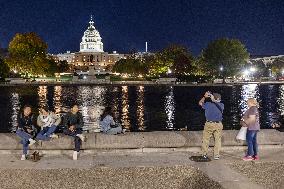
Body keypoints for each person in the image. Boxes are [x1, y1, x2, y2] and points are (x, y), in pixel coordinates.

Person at [199, 91, 224, 160]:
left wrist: (204, 97)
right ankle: (216, 155)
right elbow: (216, 103)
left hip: (209, 124)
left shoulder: (208, 104)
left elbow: (200, 103)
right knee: (218, 140)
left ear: (213, 98)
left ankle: (204, 154)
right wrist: (213, 99)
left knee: (206, 139)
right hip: (219, 124)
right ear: (219, 99)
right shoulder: (222, 105)